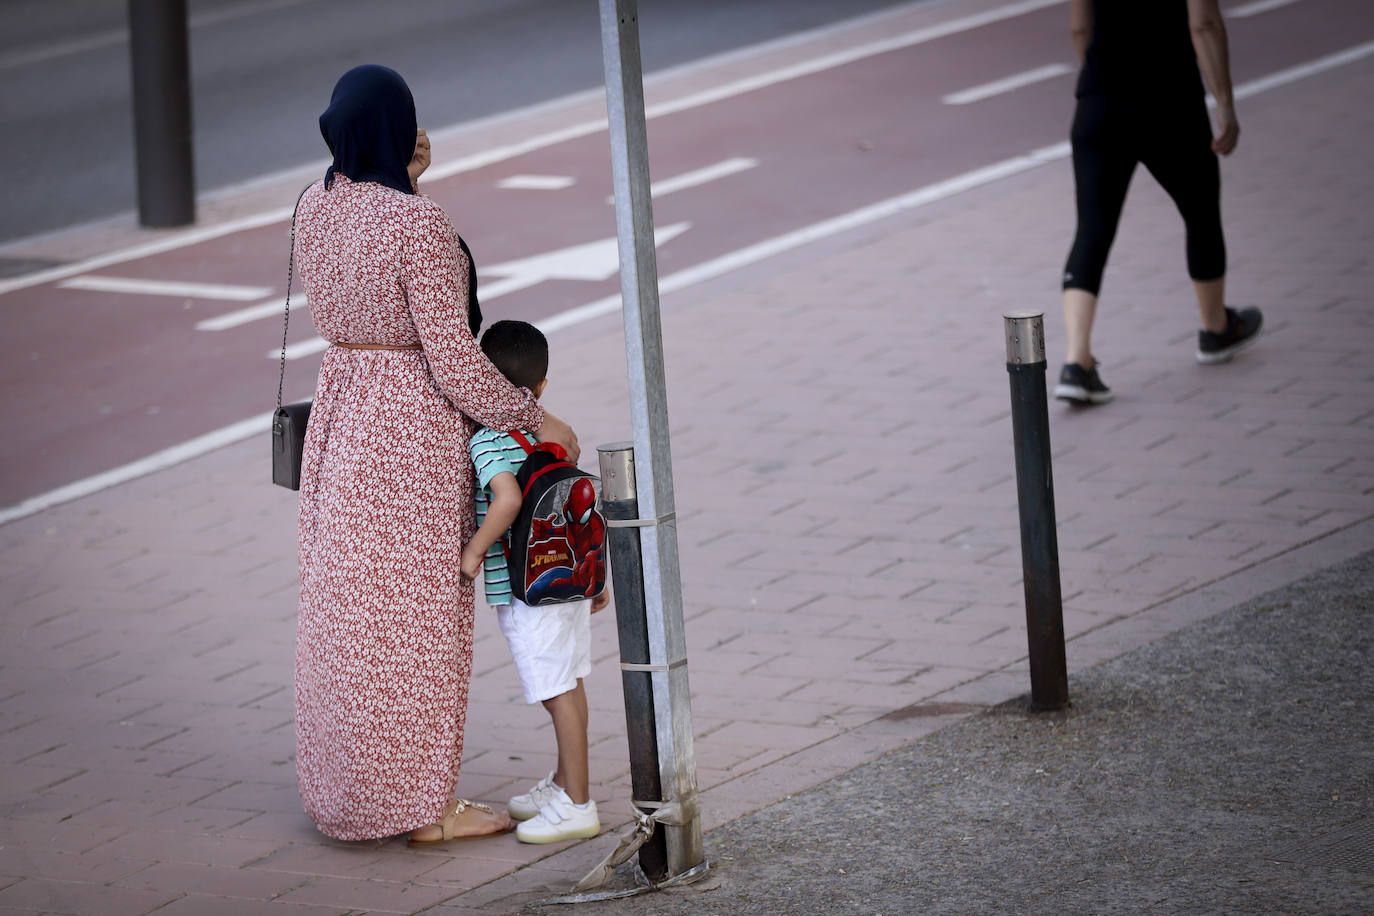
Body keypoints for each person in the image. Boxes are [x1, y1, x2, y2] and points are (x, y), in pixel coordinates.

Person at [293, 65, 580, 846]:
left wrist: (406, 183)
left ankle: (348, 792)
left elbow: (370, 255)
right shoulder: (419, 224)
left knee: (348, 617)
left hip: (343, 416)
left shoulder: (313, 207)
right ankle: (424, 809)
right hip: (411, 432)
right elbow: (452, 358)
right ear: (399, 128)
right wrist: (535, 419)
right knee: (421, 622)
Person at [1055, 0, 1263, 406]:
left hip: (1099, 102)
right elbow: (1203, 22)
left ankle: (1076, 362)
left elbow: (1080, 28)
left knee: (1093, 230)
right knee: (1200, 209)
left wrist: (1104, 81)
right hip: (1169, 98)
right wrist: (1225, 104)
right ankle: (1215, 328)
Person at [459, 320, 608, 845]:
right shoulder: (549, 436)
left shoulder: (490, 440)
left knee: (555, 689)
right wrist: (591, 579)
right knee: (570, 680)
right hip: (565, 579)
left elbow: (509, 499)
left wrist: (474, 551)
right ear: (540, 388)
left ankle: (577, 804)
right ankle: (567, 785)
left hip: (528, 591)